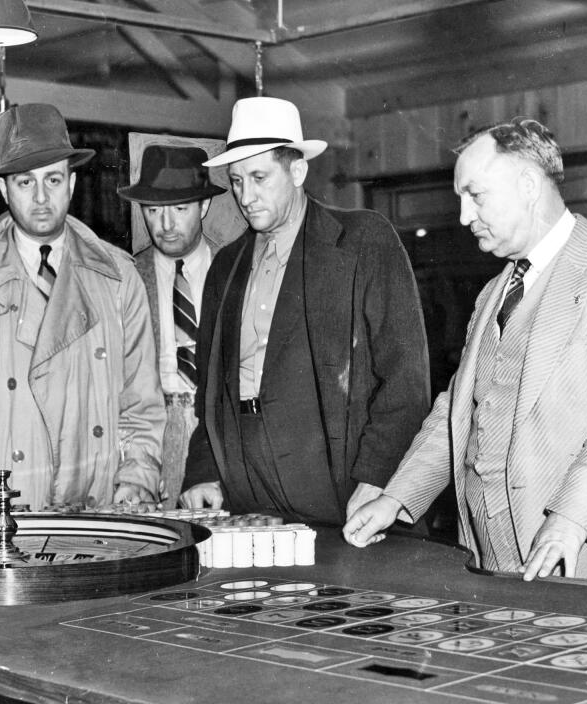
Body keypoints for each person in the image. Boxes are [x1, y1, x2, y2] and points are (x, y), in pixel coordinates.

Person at [344, 119, 587, 590]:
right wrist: (396, 498)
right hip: (496, 566)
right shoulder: (493, 291)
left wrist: (570, 519)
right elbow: (458, 411)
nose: (465, 216)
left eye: (476, 195)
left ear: (528, 185)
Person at [181, 96, 430, 526]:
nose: (246, 196)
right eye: (237, 181)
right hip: (246, 479)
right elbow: (210, 386)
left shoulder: (362, 241)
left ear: (297, 170)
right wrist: (204, 470)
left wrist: (377, 476)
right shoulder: (226, 264)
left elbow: (405, 377)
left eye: (259, 177)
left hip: (338, 480)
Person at [0, 103, 165, 512]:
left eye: (53, 179)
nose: (41, 197)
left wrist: (137, 478)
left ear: (72, 184)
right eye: (24, 182)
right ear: (3, 189)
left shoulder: (118, 278)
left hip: (97, 513)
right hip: (2, 514)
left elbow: (141, 402)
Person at [117, 144, 227, 507]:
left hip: (218, 437)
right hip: (153, 436)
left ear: (204, 206)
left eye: (180, 209)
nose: (165, 226)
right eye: (153, 211)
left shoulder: (235, 270)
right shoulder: (125, 280)